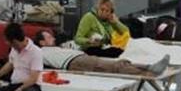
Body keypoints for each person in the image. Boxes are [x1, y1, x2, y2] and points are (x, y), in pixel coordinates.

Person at [34, 29, 169, 77]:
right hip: (76, 62)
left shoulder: (56, 48)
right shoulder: (41, 52)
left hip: (81, 58)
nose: (52, 38)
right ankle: (149, 73)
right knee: (114, 67)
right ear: (42, 42)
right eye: (48, 37)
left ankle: (149, 67)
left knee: (116, 63)